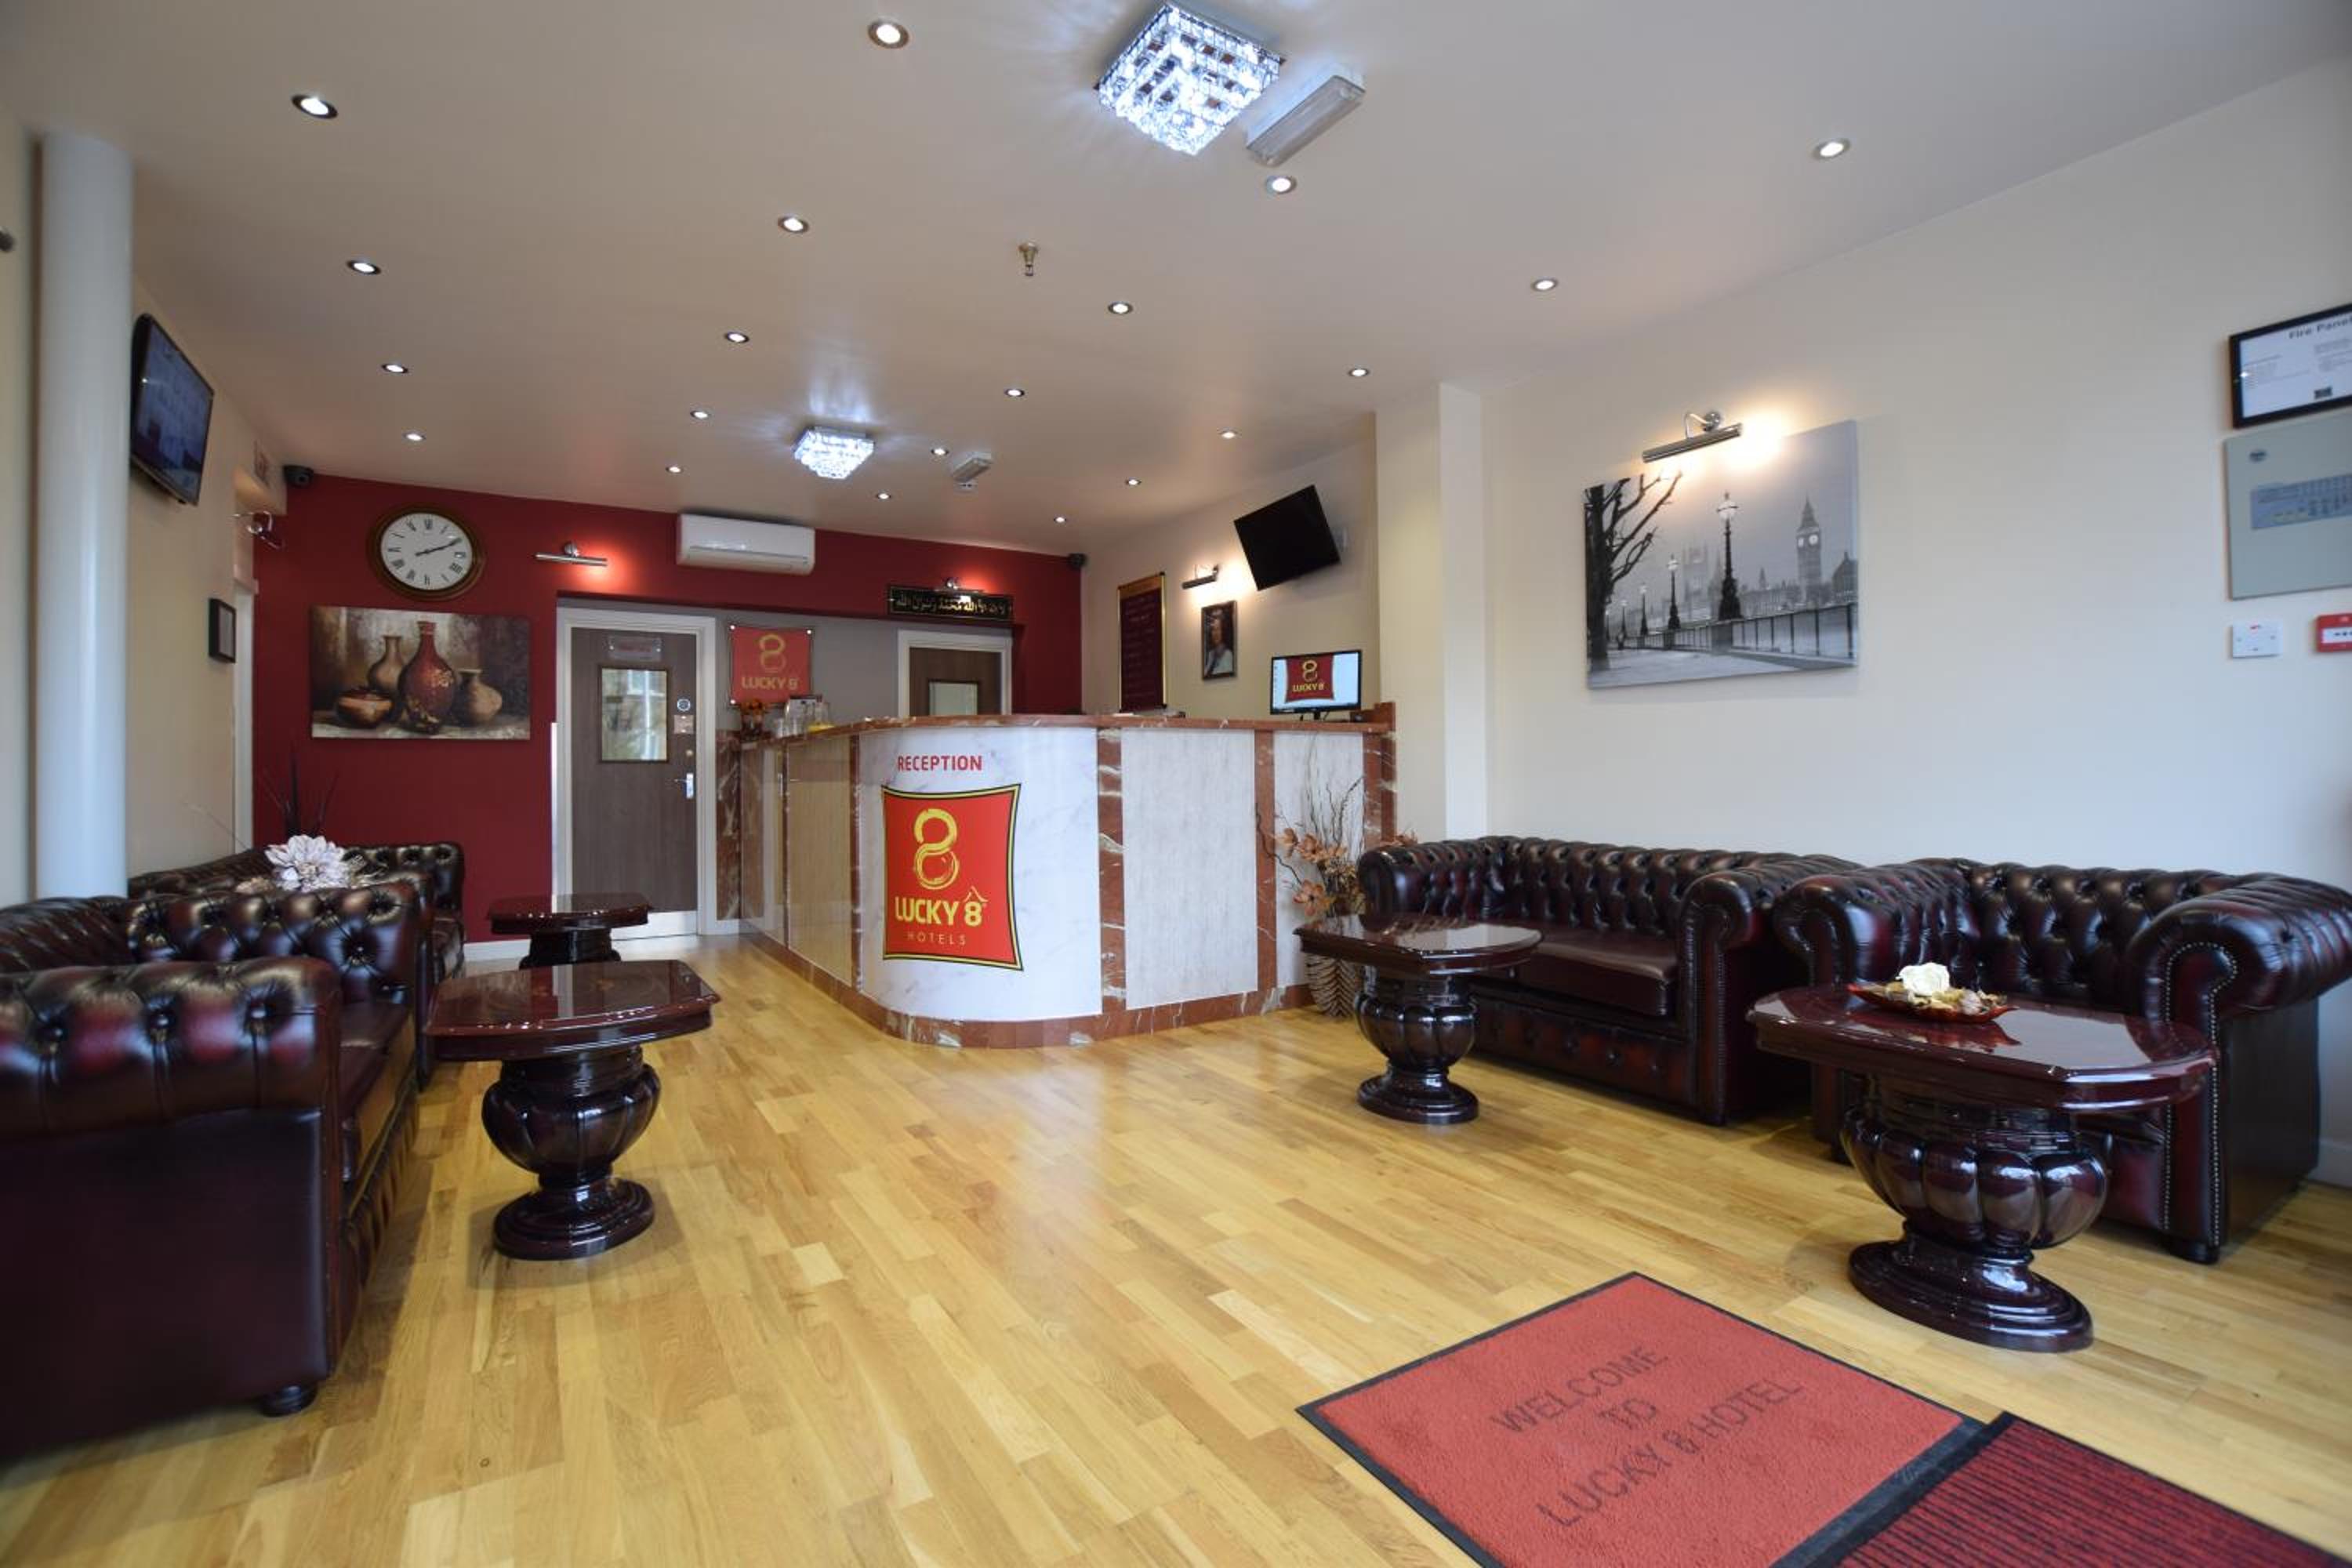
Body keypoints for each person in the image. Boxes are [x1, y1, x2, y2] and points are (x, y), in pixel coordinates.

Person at [1202, 605, 1236, 678]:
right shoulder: (1211, 654)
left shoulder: (1228, 655)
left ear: (1223, 631)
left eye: (1218, 629)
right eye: (1214, 630)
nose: (1216, 633)